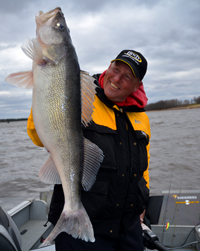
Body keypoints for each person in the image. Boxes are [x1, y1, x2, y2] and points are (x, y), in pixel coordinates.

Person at [27, 49, 151, 251]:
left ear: (138, 85)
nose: (117, 78)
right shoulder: (82, 96)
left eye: (127, 76)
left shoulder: (141, 117)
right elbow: (38, 137)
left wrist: (142, 207)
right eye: (115, 68)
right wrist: (44, 88)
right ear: (109, 66)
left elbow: (143, 168)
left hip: (128, 229)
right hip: (84, 228)